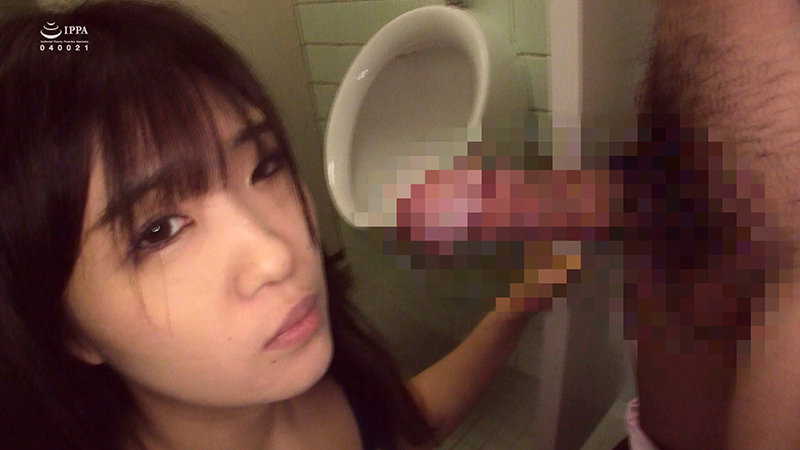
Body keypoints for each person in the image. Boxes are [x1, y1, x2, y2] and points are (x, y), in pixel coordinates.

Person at [0, 2, 548, 449]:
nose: (277, 256)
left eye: (264, 166)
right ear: (67, 329)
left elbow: (404, 425)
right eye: (159, 230)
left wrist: (512, 313)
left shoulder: (333, 378)